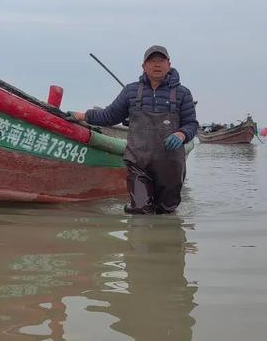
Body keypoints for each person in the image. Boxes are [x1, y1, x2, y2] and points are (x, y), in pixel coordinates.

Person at [70, 45, 198, 214]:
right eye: (152, 61)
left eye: (161, 60)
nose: (157, 64)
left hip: (170, 165)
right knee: (141, 210)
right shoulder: (131, 91)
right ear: (144, 66)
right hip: (139, 163)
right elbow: (109, 116)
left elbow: (192, 124)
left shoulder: (183, 93)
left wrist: (182, 134)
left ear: (169, 64)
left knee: (167, 212)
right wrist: (81, 116)